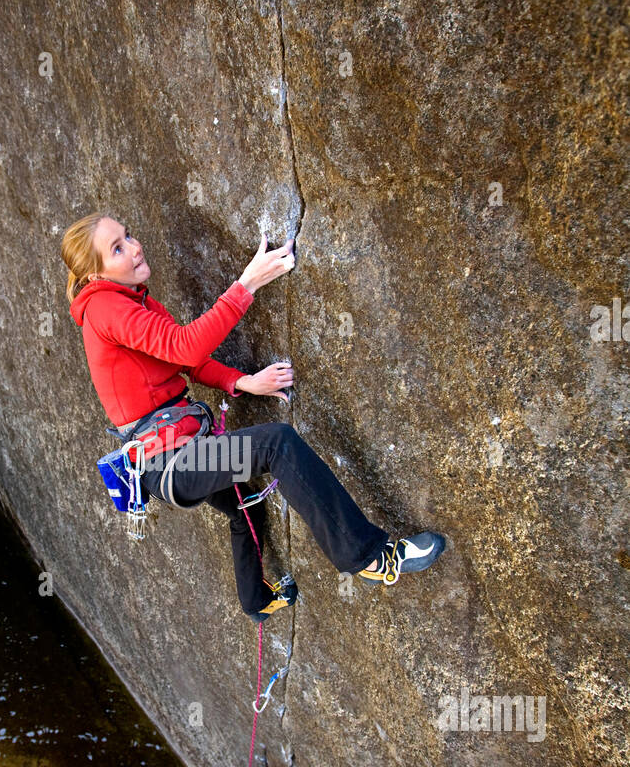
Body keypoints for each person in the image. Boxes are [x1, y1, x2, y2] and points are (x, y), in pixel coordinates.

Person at [63, 212, 445, 620]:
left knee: (245, 505)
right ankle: (370, 558)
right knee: (277, 445)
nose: (135, 247)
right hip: (170, 463)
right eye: (117, 248)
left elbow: (182, 362)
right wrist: (246, 285)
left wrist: (242, 383)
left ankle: (256, 602)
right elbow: (186, 347)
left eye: (128, 236)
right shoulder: (104, 307)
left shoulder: (130, 300)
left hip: (179, 453)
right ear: (93, 275)